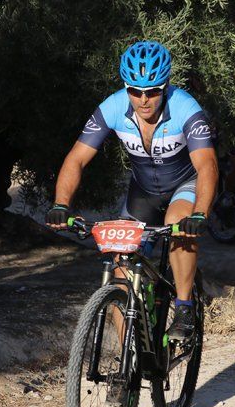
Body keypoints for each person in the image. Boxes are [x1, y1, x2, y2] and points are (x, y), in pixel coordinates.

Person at [45, 41, 218, 340]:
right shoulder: (112, 108)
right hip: (143, 192)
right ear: (126, 88)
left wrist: (200, 213)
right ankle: (128, 372)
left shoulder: (186, 108)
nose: (143, 99)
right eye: (135, 91)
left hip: (184, 185)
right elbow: (76, 158)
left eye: (152, 91)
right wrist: (61, 204)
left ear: (165, 86)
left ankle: (185, 307)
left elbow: (207, 166)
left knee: (178, 225)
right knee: (121, 272)